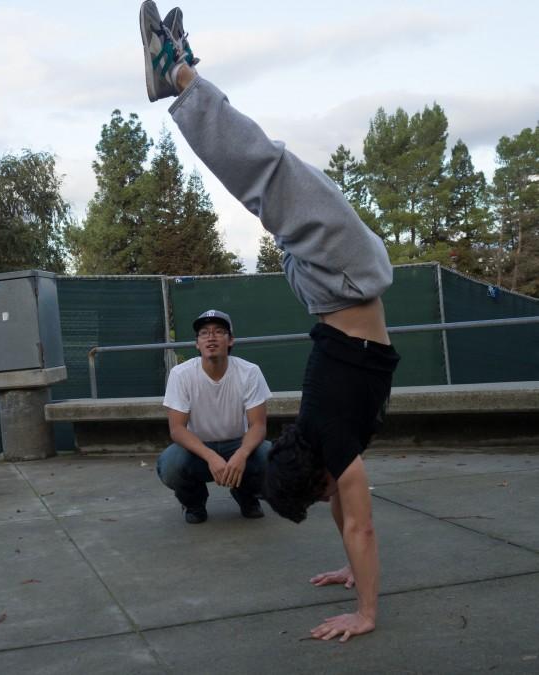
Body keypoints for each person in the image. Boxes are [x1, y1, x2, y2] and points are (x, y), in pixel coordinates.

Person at [140, 2, 401, 642]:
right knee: (271, 181)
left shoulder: (335, 448)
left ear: (317, 479)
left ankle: (177, 76)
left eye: (319, 496)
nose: (333, 500)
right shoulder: (326, 447)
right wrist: (351, 570)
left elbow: (358, 521)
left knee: (267, 172)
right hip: (327, 283)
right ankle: (182, 71)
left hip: (341, 279)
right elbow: (350, 520)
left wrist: (365, 609)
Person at [157, 309, 272, 524]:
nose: (211, 337)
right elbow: (177, 429)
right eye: (204, 333)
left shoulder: (249, 372)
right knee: (171, 465)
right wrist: (210, 457)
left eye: (219, 331)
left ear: (231, 340)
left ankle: (247, 496)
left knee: (269, 457)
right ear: (197, 343)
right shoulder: (181, 374)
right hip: (197, 449)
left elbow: (258, 425)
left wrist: (242, 454)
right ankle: (194, 504)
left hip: (237, 443)